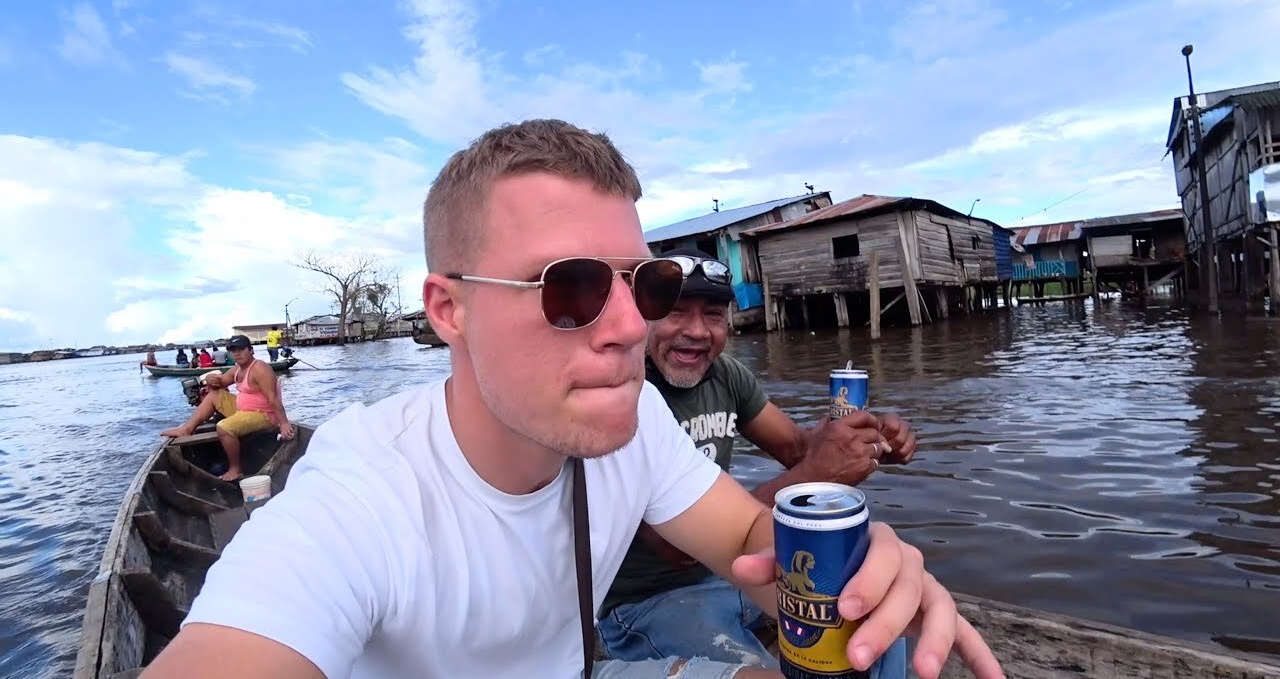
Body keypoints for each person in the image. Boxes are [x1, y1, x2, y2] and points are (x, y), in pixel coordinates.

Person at [142, 120, 1001, 679]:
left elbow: (744, 538)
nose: (630, 326)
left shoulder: (631, 426)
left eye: (645, 284)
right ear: (451, 310)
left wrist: (841, 580)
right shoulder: (363, 493)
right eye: (572, 287)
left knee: (881, 648)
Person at [599, 249, 918, 669]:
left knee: (873, 624)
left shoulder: (727, 376)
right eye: (677, 312)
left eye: (713, 314)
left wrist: (869, 446)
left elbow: (797, 450)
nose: (696, 331)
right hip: (647, 604)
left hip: (732, 576)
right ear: (646, 315)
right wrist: (817, 472)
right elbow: (676, 551)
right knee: (761, 670)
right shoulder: (625, 399)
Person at [159, 334, 294, 481]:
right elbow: (220, 383)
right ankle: (187, 429)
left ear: (251, 350)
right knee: (214, 396)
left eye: (241, 349)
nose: (236, 353)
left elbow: (273, 398)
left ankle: (236, 469)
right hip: (244, 410)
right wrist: (210, 380)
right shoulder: (236, 369)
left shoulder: (260, 368)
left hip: (265, 415)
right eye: (232, 350)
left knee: (223, 427)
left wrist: (284, 423)